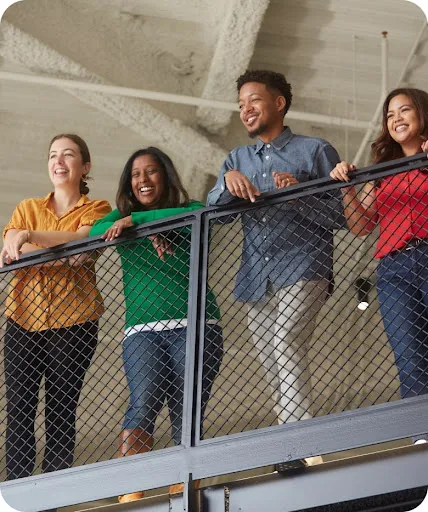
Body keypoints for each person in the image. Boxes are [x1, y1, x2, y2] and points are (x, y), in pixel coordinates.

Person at [206, 69, 344, 452]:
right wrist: (227, 183)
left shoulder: (315, 150)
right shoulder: (236, 158)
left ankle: (298, 443)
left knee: (285, 341)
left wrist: (300, 194)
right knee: (272, 359)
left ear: (279, 103)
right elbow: (216, 213)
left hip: (304, 265)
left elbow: (343, 216)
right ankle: (292, 444)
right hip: (256, 275)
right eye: (240, 105)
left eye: (253, 101)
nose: (245, 110)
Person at [90, 147, 223, 502]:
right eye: (135, 174)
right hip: (143, 331)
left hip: (196, 324)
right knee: (144, 400)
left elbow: (199, 212)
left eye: (150, 172)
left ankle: (183, 488)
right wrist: (133, 222)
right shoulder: (118, 220)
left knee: (185, 408)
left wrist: (140, 222)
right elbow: (96, 229)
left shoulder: (189, 211)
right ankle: (131, 489)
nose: (143, 180)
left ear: (164, 175)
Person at [0, 134, 111, 480]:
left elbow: (83, 250)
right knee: (18, 409)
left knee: (61, 410)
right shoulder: (26, 207)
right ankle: (17, 494)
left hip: (74, 321)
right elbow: (10, 252)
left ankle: (50, 496)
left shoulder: (99, 209)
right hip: (23, 320)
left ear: (85, 166)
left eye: (68, 155)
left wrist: (29, 237)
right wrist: (28, 243)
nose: (58, 161)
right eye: (52, 155)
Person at [330, 88, 428, 443]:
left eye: (405, 110)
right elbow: (360, 226)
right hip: (393, 269)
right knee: (409, 354)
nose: (397, 119)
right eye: (390, 115)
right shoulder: (382, 170)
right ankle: (422, 436)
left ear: (422, 115)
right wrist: (347, 187)